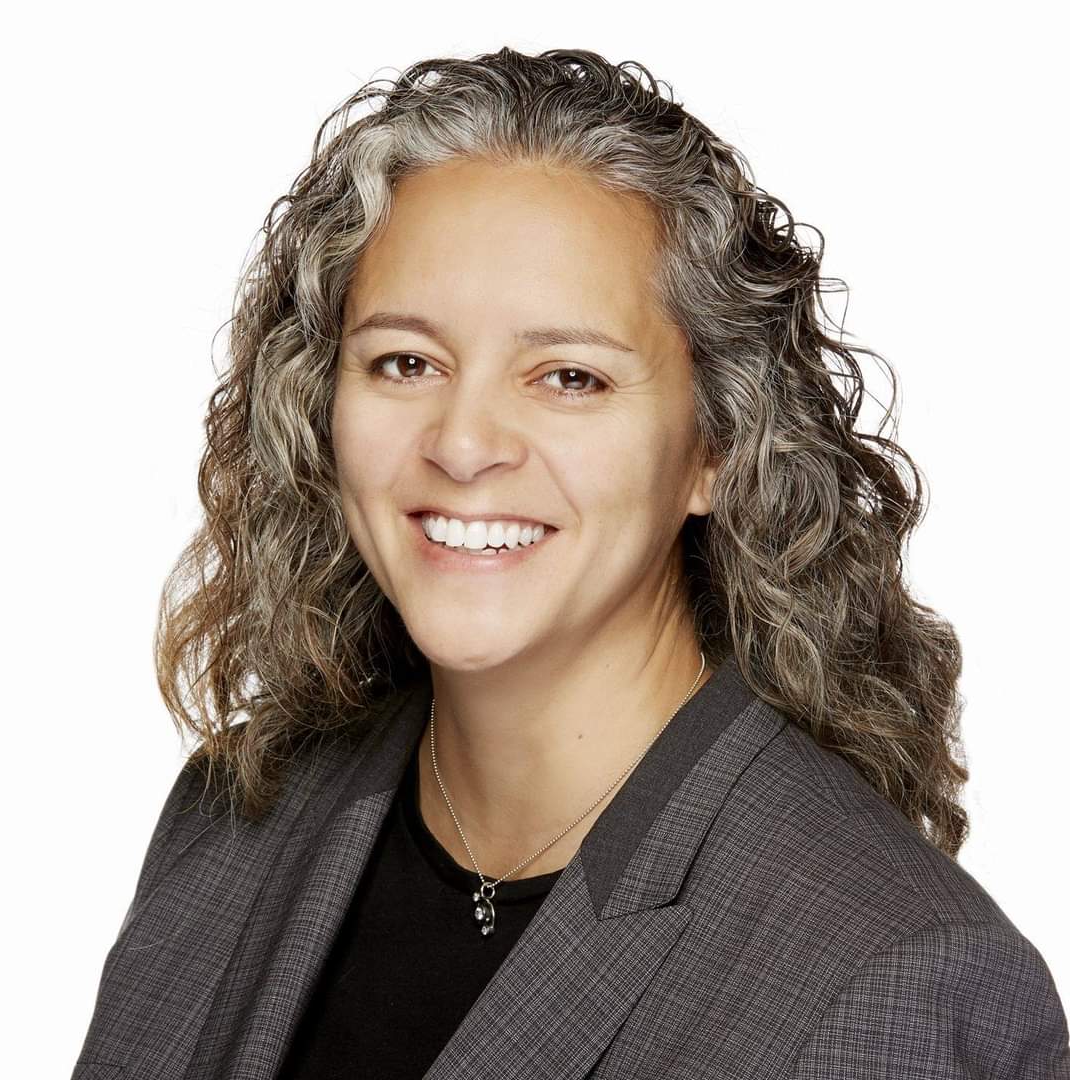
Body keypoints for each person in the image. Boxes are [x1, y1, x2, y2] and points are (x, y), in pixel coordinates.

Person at [70, 46, 1069, 1080]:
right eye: (405, 362)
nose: (462, 444)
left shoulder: (891, 977)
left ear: (718, 448)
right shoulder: (228, 823)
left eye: (570, 378)